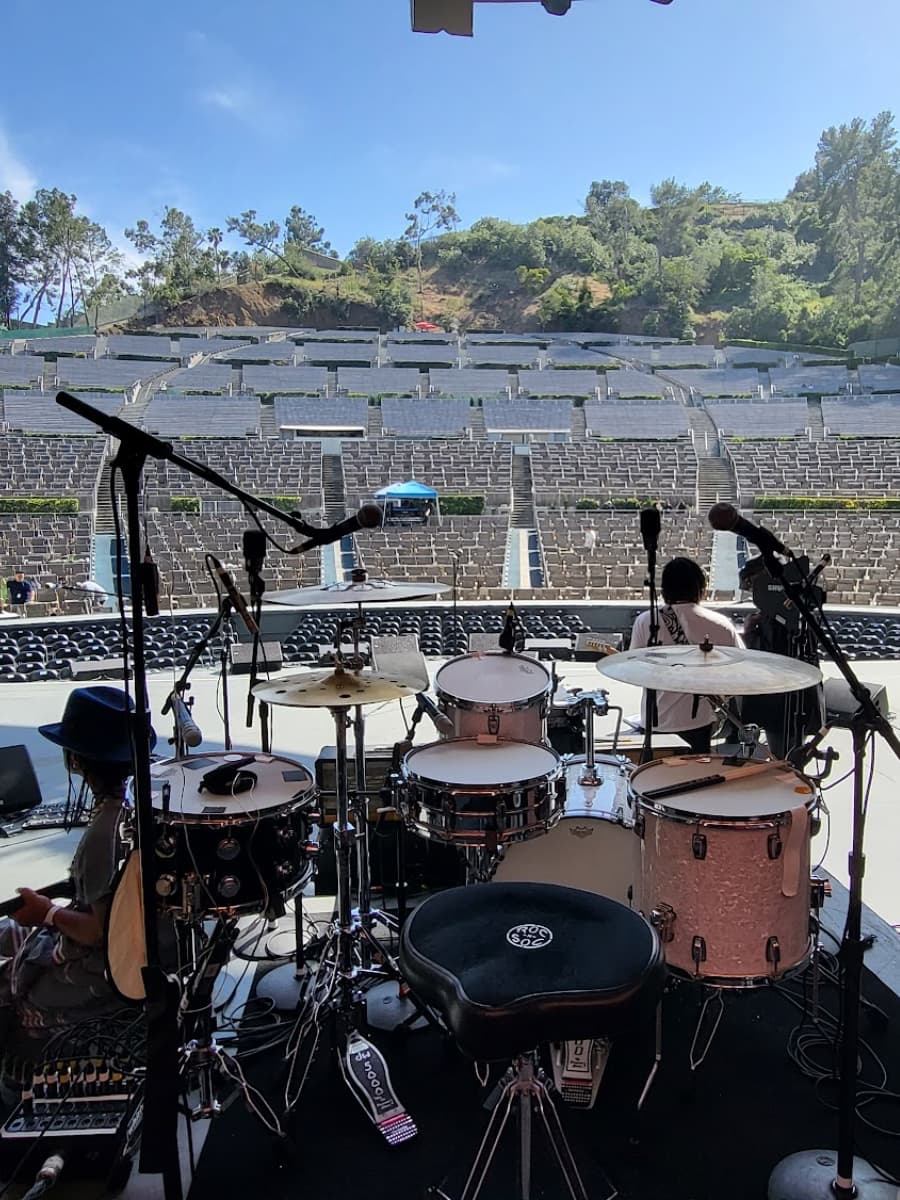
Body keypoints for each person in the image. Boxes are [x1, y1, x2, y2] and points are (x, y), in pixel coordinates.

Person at [0, 687, 155, 1062]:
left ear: (75, 760)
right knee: (8, 935)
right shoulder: (139, 801)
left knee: (9, 982)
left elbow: (96, 932)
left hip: (106, 969)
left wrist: (46, 914)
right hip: (143, 947)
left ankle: (19, 1065)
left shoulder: (106, 830)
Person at [629, 556, 744, 753]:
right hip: (699, 721)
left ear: (664, 589)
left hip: (657, 721)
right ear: (700, 588)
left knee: (656, 778)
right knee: (697, 779)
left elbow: (634, 671)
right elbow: (738, 671)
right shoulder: (721, 624)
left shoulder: (646, 621)